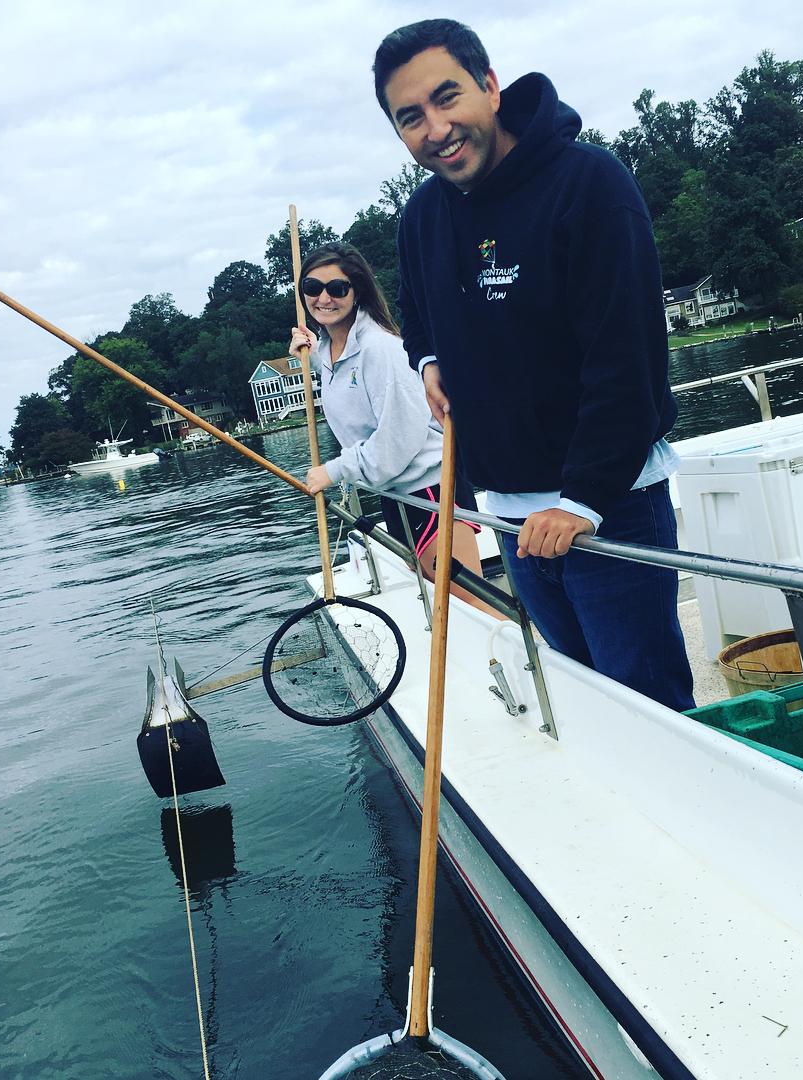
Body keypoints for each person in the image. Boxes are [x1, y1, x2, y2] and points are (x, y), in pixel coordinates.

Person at [371, 19, 695, 711]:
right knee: (583, 702)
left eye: (447, 97)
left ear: (490, 87)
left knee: (650, 709)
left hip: (608, 507)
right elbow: (416, 309)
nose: (435, 127)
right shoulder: (420, 216)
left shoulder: (590, 184)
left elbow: (626, 362)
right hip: (513, 518)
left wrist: (580, 501)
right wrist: (427, 360)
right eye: (410, 118)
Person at [289, 242, 494, 612]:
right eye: (312, 288)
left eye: (337, 289)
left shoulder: (382, 349)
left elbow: (399, 438)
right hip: (396, 495)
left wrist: (333, 472)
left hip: (432, 491)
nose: (323, 298)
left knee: (471, 607)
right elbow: (347, 389)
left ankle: (534, 668)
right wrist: (307, 351)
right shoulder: (327, 354)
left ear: (358, 291)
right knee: (444, 607)